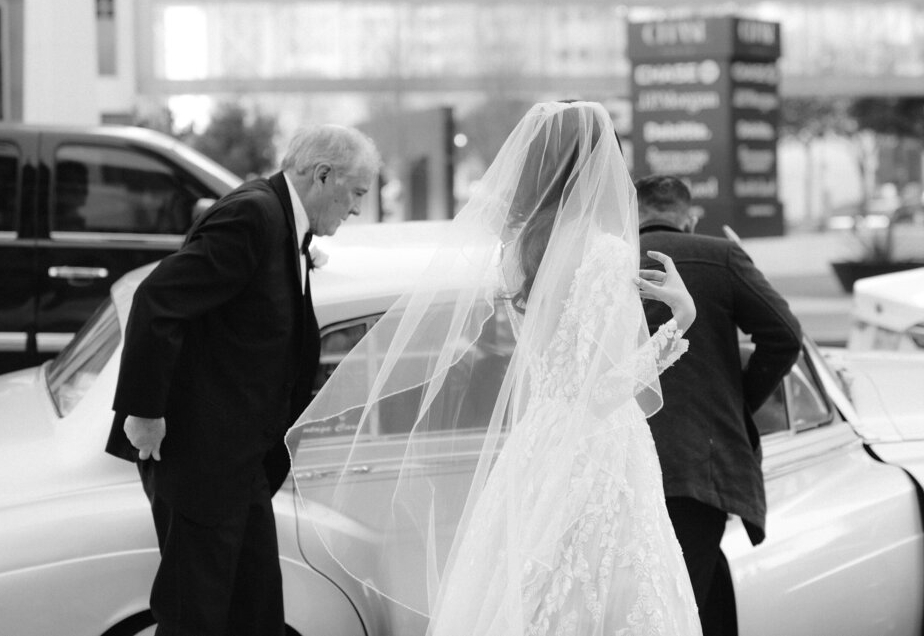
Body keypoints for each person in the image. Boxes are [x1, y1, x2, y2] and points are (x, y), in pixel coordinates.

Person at [287, 101, 703, 635]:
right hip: (597, 450)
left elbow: (561, 371)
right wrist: (679, 323)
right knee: (606, 590)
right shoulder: (604, 253)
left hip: (540, 440)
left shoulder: (522, 251)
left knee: (529, 590)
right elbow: (600, 391)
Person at [105, 125, 380, 636]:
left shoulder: (283, 223)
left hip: (238, 464)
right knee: (196, 620)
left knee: (254, 617)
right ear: (323, 176)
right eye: (358, 193)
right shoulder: (253, 215)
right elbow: (157, 302)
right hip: (199, 464)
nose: (358, 208)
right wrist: (144, 413)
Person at [635, 174, 803, 636]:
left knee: (679, 597)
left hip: (620, 464)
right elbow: (784, 336)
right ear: (689, 218)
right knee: (682, 605)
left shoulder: (601, 262)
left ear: (633, 212)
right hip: (699, 463)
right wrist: (738, 401)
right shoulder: (718, 256)